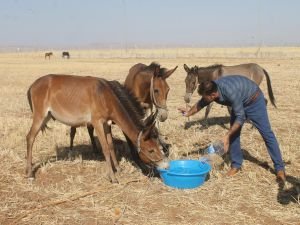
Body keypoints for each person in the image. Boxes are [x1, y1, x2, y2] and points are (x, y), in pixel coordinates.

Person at [178, 75, 286, 183]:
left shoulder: (230, 92)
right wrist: (188, 113)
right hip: (239, 102)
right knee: (234, 134)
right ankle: (236, 165)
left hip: (254, 101)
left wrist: (226, 136)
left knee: (267, 134)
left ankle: (280, 169)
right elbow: (201, 103)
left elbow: (240, 117)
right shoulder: (212, 89)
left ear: (213, 95)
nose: (204, 99)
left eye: (205, 97)